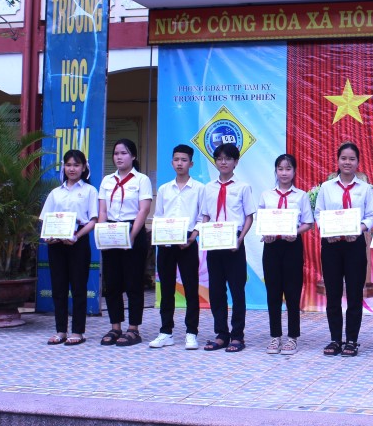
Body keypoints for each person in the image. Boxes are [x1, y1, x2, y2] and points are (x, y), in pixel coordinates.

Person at [315, 142, 373, 357]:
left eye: (352, 159)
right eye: (343, 158)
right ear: (337, 160)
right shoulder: (326, 187)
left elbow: (372, 215)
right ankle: (334, 339)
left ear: (358, 162)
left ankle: (351, 340)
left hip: (355, 245)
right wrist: (327, 230)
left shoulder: (365, 188)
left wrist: (359, 229)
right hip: (331, 246)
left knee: (353, 293)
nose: (347, 162)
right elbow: (318, 214)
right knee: (332, 293)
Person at [200, 143, 256, 353]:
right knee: (216, 291)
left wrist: (240, 240)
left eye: (228, 159)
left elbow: (249, 216)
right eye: (219, 159)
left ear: (236, 162)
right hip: (214, 243)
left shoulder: (243, 187)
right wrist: (205, 236)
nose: (223, 162)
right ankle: (221, 334)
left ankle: (238, 336)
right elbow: (205, 215)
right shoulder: (208, 188)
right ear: (215, 162)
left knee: (237, 290)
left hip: (234, 243)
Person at [148, 144, 204, 350]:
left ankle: (191, 332)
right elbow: (159, 215)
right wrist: (161, 234)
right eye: (176, 160)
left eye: (184, 160)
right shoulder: (163, 189)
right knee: (167, 289)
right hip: (166, 241)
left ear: (191, 163)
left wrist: (192, 237)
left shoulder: (199, 188)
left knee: (190, 288)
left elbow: (202, 216)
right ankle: (166, 332)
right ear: (171, 162)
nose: (180, 163)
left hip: (188, 241)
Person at [98, 139, 153, 347]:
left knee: (133, 282)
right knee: (112, 284)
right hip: (111, 231)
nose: (119, 157)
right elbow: (102, 210)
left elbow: (143, 210)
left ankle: (133, 329)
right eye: (116, 153)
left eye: (124, 153)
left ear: (133, 157)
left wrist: (131, 234)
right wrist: (102, 232)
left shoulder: (141, 180)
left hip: (132, 231)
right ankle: (115, 327)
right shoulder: (107, 180)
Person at [40, 150, 98, 346]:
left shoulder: (90, 191)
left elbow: (93, 220)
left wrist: (76, 236)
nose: (72, 169)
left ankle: (78, 331)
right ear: (63, 167)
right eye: (68, 165)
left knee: (79, 287)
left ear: (84, 168)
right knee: (58, 288)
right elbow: (45, 219)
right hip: (57, 244)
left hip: (78, 241)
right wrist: (48, 237)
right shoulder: (55, 193)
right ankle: (60, 330)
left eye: (76, 165)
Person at [258, 154, 314, 355]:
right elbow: (262, 221)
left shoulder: (301, 196)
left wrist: (295, 233)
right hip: (272, 247)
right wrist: (266, 234)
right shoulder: (266, 195)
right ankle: (275, 337)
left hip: (292, 246)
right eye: (280, 169)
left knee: (292, 292)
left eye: (288, 168)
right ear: (275, 171)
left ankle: (292, 337)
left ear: (294, 171)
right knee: (273, 292)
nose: (284, 173)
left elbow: (308, 222)